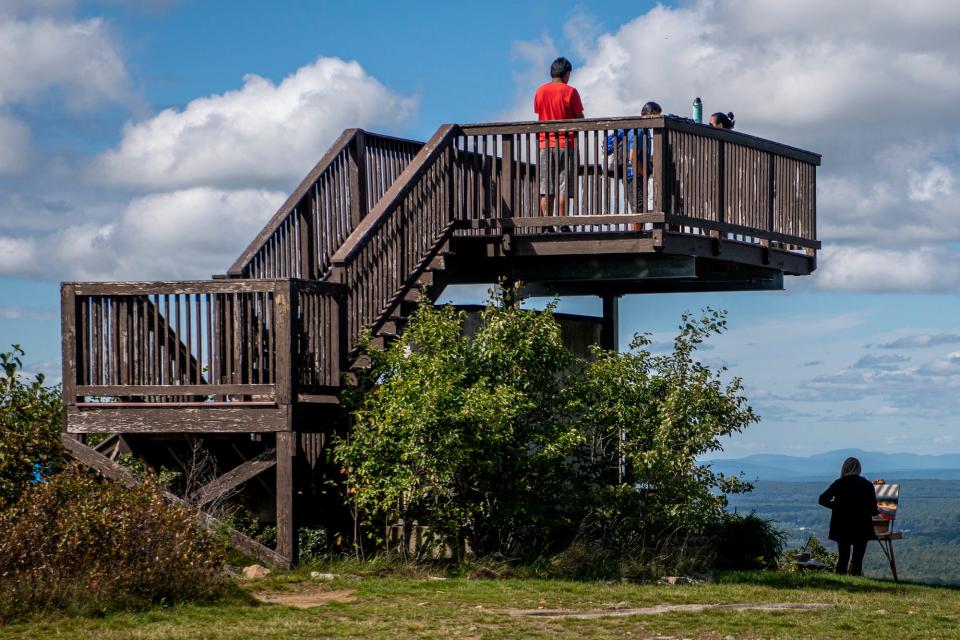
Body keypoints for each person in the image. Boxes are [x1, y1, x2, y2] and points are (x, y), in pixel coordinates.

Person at [534, 57, 584, 220]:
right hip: (566, 143)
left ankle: (547, 223)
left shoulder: (540, 91)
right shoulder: (571, 91)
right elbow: (579, 117)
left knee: (546, 187)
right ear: (566, 73)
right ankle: (562, 222)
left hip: (545, 144)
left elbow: (538, 112)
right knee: (564, 186)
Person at [818, 457, 879, 576]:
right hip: (862, 526)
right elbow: (872, 510)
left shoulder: (839, 483)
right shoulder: (867, 484)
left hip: (842, 525)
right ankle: (856, 579)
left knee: (843, 558)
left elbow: (822, 499)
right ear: (859, 469)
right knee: (858, 559)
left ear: (844, 468)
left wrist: (837, 506)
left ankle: (840, 582)